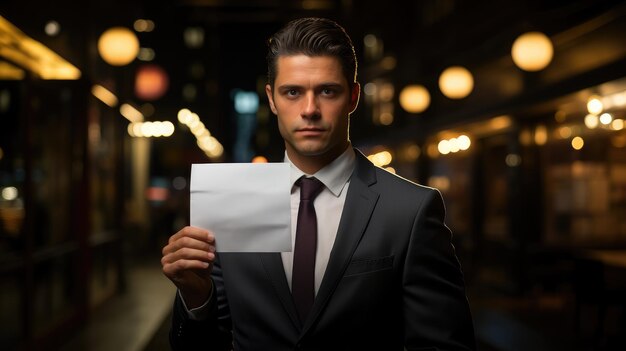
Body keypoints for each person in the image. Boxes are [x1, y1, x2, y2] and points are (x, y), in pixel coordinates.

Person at [161, 17, 476, 350]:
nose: (309, 110)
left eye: (327, 91)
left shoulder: (410, 209)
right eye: (292, 92)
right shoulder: (235, 201)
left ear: (353, 97)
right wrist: (196, 298)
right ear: (271, 99)